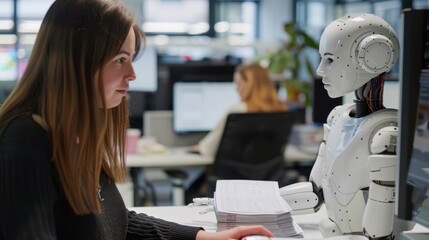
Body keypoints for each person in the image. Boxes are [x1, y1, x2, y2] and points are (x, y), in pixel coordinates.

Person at [0, 0, 274, 239]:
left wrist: (203, 238)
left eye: (131, 59)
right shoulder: (25, 141)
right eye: (120, 59)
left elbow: (120, 222)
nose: (132, 74)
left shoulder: (75, 135)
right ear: (78, 61)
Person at [279, 13, 414, 239]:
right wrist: (255, 204)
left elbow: (379, 233)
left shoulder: (386, 135)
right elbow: (315, 192)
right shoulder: (337, 117)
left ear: (372, 56)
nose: (320, 70)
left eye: (330, 60)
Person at [195, 63, 287, 157]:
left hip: (234, 171)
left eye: (239, 84)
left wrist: (200, 147)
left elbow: (209, 149)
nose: (236, 89)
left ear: (251, 85)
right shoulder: (282, 110)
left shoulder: (238, 110)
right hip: (269, 171)